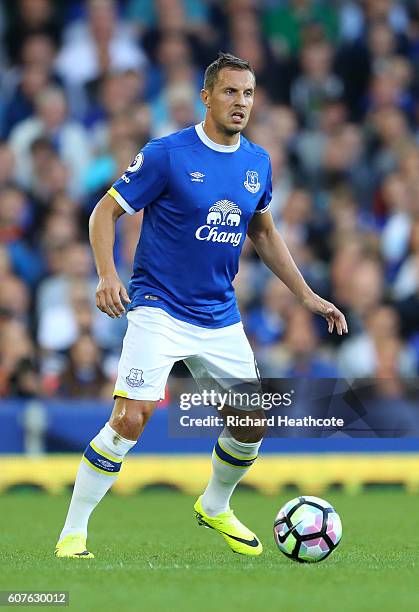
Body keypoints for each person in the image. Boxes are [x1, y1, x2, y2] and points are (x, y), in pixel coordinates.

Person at [55, 53, 347, 559]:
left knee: (252, 419)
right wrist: (106, 275)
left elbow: (264, 231)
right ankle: (73, 533)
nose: (241, 103)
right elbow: (105, 211)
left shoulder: (257, 162)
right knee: (132, 416)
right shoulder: (167, 154)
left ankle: (214, 504)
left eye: (249, 94)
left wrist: (306, 295)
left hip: (218, 312)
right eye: (231, 92)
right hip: (158, 306)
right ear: (206, 96)